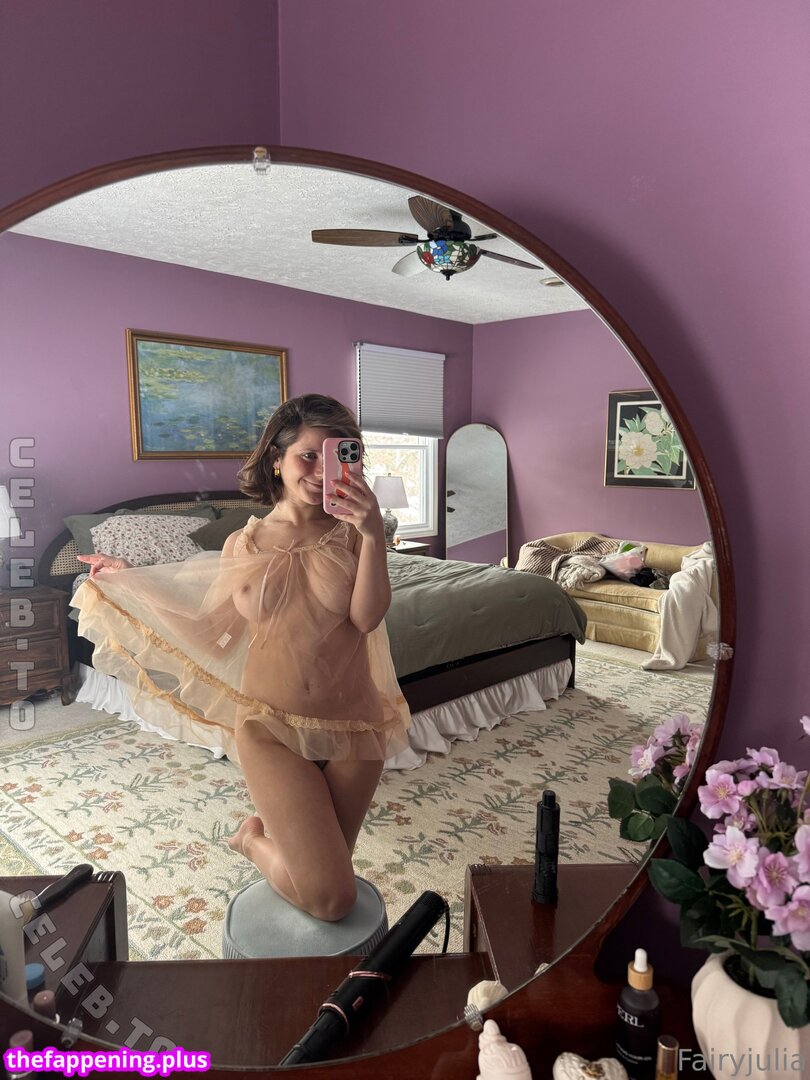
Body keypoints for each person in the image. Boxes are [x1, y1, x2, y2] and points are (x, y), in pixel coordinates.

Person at [76, 393, 410, 922]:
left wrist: (372, 535)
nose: (320, 473)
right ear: (277, 459)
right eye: (307, 456)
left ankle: (263, 842)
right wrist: (129, 580)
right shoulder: (243, 544)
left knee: (323, 877)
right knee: (332, 899)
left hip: (355, 727)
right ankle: (252, 841)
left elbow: (367, 618)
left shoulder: (354, 534)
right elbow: (210, 632)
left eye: (334, 457)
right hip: (270, 727)